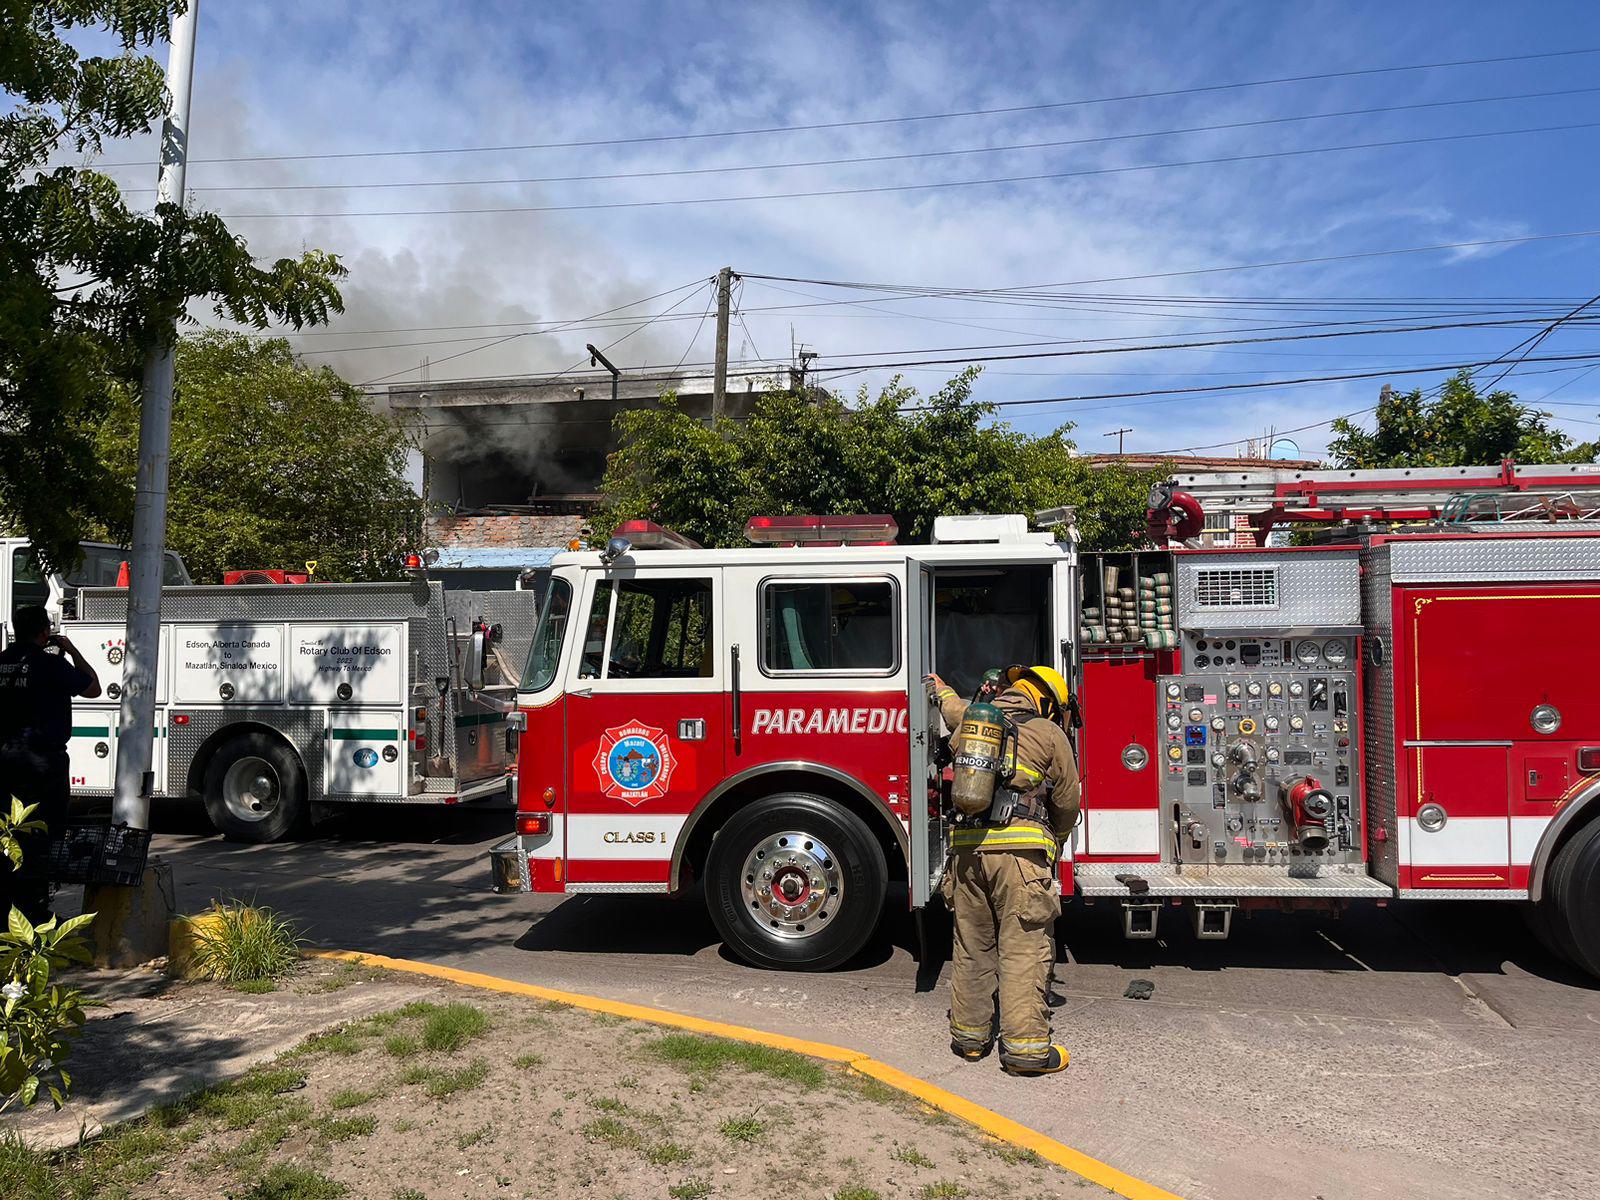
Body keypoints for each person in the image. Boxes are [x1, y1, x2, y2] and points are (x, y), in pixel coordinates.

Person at [926, 664, 1080, 1076]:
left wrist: (942, 690)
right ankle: (1026, 1051)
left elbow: (952, 709)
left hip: (966, 852)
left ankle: (969, 1039)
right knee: (1024, 949)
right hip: (1019, 858)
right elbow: (1067, 803)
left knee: (971, 945)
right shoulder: (1049, 733)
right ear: (1047, 702)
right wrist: (1054, 842)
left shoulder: (974, 722)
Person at [0, 605, 101, 921]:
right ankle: (34, 910)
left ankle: (8, 907)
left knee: (8, 832)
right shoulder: (51, 664)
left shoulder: (2, 661)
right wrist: (71, 650)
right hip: (43, 764)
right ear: (45, 632)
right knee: (43, 833)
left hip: (5, 761)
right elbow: (93, 687)